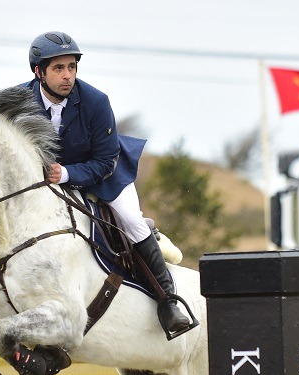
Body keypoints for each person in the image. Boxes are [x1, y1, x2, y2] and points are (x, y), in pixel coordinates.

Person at [24, 31, 193, 338]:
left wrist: (65, 174)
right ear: (39, 71)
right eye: (58, 68)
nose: (67, 76)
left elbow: (105, 161)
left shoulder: (96, 101)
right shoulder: (20, 100)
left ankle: (169, 302)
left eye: (71, 67)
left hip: (104, 175)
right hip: (49, 180)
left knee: (130, 220)